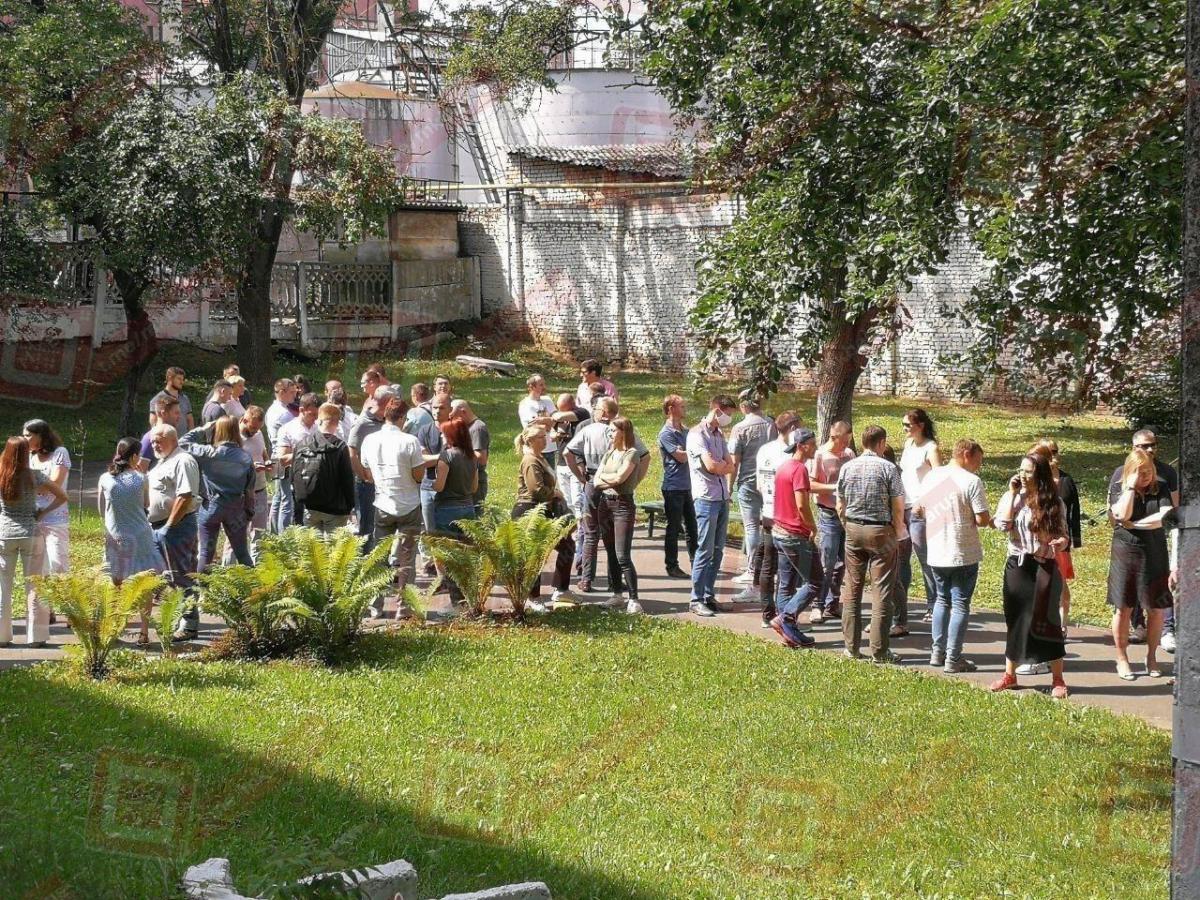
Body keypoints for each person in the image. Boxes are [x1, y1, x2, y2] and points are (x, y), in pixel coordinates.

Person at [991, 453, 1071, 698]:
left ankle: (1058, 678)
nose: (1023, 475)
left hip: (1046, 564)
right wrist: (1013, 494)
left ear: (1040, 474)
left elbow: (1065, 536)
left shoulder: (1054, 502)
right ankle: (1010, 675)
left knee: (1048, 620)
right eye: (1021, 470)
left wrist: (1060, 542)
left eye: (1029, 471)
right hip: (1019, 564)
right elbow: (1002, 524)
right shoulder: (1013, 497)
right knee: (1016, 618)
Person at [915, 439, 991, 673]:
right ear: (966, 455)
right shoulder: (971, 481)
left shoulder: (933, 476)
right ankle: (953, 657)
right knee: (959, 604)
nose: (978, 465)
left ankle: (937, 653)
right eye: (978, 460)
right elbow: (983, 519)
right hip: (962, 553)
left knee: (941, 600)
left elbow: (918, 509)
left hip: (937, 551)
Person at [566, 398, 650, 600]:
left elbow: (568, 452)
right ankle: (615, 585)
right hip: (610, 488)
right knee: (608, 538)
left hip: (594, 483)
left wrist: (581, 477)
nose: (594, 412)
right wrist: (633, 481)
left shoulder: (591, 430)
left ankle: (587, 578)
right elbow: (646, 456)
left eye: (596, 409)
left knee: (591, 533)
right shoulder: (619, 438)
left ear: (604, 412)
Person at [835, 425, 905, 663]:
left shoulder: (847, 467)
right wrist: (896, 529)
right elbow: (897, 505)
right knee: (882, 591)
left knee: (852, 590)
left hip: (853, 529)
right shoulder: (889, 468)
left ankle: (851, 648)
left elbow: (840, 504)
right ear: (882, 443)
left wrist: (847, 525)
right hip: (880, 530)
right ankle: (880, 650)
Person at [1107, 448, 1174, 680]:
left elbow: (1163, 518)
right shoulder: (1119, 486)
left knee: (1155, 608)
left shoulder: (1161, 487)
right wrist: (1131, 488)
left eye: (1149, 471)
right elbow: (1122, 515)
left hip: (1154, 553)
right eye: (1140, 472)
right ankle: (1121, 657)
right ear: (1130, 472)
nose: (1146, 476)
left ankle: (1152, 656)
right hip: (1125, 552)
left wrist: (1137, 525)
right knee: (1123, 607)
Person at [358, 393, 427, 617]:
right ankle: (404, 607)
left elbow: (366, 471)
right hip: (408, 504)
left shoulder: (370, 440)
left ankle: (375, 606)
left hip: (383, 502)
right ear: (403, 418)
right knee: (407, 559)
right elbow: (418, 475)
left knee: (379, 556)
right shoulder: (409, 441)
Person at [1110, 429, 1179, 645]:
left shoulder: (1166, 474)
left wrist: (1139, 524)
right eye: (1144, 446)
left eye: (1153, 445)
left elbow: (1172, 512)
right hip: (1127, 544)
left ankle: (1166, 631)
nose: (1150, 449)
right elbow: (1115, 516)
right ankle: (1138, 625)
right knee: (1127, 597)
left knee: (1158, 594)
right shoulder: (1120, 474)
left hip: (1156, 541)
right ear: (1133, 448)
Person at [1018, 439, 1081, 674]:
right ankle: (1035, 656)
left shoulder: (1062, 482)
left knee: (1054, 597)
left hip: (1052, 552)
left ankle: (1050, 660)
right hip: (1027, 558)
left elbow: (1070, 515)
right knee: (1034, 606)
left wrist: (1069, 541)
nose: (1055, 456)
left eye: (1054, 452)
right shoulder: (1022, 491)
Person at [0, 437, 68, 647]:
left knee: (3, 587)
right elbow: (62, 496)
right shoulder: (34, 475)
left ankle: (1, 637)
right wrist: (42, 512)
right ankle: (36, 637)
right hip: (31, 533)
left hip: (4, 535)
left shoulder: (1, 475)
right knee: (35, 586)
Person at [98, 438, 164, 645]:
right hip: (141, 534)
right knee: (144, 582)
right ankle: (144, 633)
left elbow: (102, 508)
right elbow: (146, 504)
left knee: (116, 581)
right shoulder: (141, 478)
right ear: (134, 456)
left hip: (117, 534)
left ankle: (116, 627)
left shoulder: (105, 479)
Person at [512, 425, 578, 614]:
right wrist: (555, 493)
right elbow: (537, 490)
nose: (546, 439)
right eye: (541, 436)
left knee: (567, 545)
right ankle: (533, 598)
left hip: (544, 510)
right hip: (529, 511)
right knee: (535, 554)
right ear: (531, 440)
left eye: (545, 435)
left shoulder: (540, 458)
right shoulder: (530, 460)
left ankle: (561, 589)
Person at [146, 425, 202, 641]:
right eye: (152, 442)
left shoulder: (183, 460)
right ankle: (175, 619)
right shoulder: (163, 461)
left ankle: (189, 625)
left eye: (158, 441)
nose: (154, 445)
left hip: (177, 527)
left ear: (172, 438)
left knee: (181, 576)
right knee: (167, 577)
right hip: (159, 527)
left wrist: (169, 525)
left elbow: (185, 495)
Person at [180, 417, 256, 573]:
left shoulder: (208, 452)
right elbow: (249, 491)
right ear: (236, 431)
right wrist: (249, 512)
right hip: (236, 509)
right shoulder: (246, 458)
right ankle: (254, 590)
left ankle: (203, 594)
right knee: (242, 553)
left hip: (211, 508)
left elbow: (182, 443)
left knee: (206, 554)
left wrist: (202, 429)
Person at [686, 395, 737, 617]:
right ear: (717, 410)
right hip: (706, 498)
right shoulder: (697, 434)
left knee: (717, 551)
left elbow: (730, 465)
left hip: (722, 497)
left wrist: (721, 466)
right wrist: (720, 466)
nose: (729, 419)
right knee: (705, 550)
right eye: (728, 414)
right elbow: (711, 466)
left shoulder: (719, 435)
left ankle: (708, 595)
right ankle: (696, 598)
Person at [768, 428, 819, 648]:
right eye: (812, 444)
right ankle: (786, 618)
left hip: (778, 532)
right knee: (816, 582)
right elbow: (801, 504)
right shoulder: (799, 469)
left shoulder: (783, 467)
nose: (815, 448)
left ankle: (789, 631)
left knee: (786, 583)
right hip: (795, 535)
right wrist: (812, 526)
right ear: (801, 445)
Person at [750, 412, 800, 625]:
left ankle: (767, 612)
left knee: (769, 565)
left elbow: (760, 485)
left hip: (769, 514)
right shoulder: (791, 455)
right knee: (787, 567)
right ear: (792, 428)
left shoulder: (764, 450)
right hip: (786, 517)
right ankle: (783, 614)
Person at [593, 416, 646, 615]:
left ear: (624, 432)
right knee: (611, 553)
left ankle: (634, 599)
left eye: (613, 431)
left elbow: (621, 478)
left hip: (623, 505)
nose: (610, 434)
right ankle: (617, 594)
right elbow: (597, 481)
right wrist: (610, 480)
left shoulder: (632, 454)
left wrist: (608, 479)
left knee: (622, 554)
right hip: (604, 504)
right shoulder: (610, 453)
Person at [806, 420, 855, 623]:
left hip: (846, 513)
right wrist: (834, 488)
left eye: (847, 442)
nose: (844, 447)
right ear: (833, 437)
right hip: (827, 513)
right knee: (826, 560)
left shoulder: (850, 454)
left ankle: (832, 603)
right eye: (842, 442)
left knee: (841, 562)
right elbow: (810, 484)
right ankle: (817, 605)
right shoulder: (820, 455)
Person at [24, 419, 70, 625]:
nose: (25, 439)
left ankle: (71, 609)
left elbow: (55, 483)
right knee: (39, 568)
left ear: (40, 435)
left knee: (58, 564)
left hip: (55, 518)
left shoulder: (60, 453)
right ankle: (46, 610)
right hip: (34, 518)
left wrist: (33, 484)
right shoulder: (30, 457)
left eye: (28, 435)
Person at [728, 393, 777, 586]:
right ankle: (767, 566)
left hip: (748, 482)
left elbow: (734, 461)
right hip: (769, 480)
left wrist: (729, 486)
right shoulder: (771, 424)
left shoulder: (739, 428)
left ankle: (752, 569)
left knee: (751, 527)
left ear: (743, 406)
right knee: (769, 525)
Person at [900, 408, 940, 624]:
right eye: (903, 425)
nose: (905, 429)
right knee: (902, 557)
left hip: (919, 511)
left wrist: (923, 503)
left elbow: (939, 479)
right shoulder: (908, 445)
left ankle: (934, 605)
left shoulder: (930, 448)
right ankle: (901, 603)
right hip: (902, 507)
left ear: (920, 425)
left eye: (908, 425)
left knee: (924, 558)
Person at [292, 403, 356, 536]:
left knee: (313, 551)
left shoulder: (302, 444)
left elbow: (294, 474)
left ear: (318, 420)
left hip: (310, 505)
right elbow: (347, 479)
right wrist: (350, 505)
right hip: (335, 508)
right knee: (333, 553)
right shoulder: (339, 446)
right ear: (337, 423)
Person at [659, 395, 697, 580]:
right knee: (673, 528)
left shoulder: (686, 431)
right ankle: (671, 565)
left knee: (692, 527)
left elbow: (687, 453)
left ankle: (696, 562)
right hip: (673, 487)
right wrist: (697, 451)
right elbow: (680, 457)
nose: (685, 409)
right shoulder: (666, 433)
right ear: (671, 408)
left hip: (688, 486)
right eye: (682, 406)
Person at [273, 392, 320, 530]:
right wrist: (306, 452)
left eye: (317, 415)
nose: (315, 418)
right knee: (294, 516)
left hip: (316, 482)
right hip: (294, 481)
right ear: (301, 410)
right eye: (312, 414)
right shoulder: (287, 429)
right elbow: (282, 459)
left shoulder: (319, 428)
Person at [231, 406, 271, 563]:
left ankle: (257, 568)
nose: (255, 431)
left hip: (259, 490)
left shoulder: (259, 433)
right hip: (241, 493)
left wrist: (266, 460)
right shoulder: (233, 437)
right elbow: (229, 465)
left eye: (258, 428)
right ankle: (230, 569)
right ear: (244, 420)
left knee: (259, 531)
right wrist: (251, 466)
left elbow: (263, 451)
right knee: (236, 533)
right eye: (253, 427)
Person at [348, 391, 386, 552]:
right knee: (367, 524)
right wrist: (362, 475)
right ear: (385, 402)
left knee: (382, 523)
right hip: (367, 483)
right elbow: (351, 451)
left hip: (384, 481)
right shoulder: (363, 423)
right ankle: (365, 563)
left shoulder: (388, 422)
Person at [432, 417, 480, 536]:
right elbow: (474, 487)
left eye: (443, 434)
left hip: (447, 510)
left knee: (446, 550)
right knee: (466, 550)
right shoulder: (472, 457)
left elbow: (439, 487)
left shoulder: (446, 456)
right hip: (468, 508)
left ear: (450, 436)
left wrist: (430, 483)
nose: (441, 437)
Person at [265, 378, 297, 533]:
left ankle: (273, 532)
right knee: (286, 499)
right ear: (282, 392)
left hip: (275, 454)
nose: (295, 395)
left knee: (278, 496)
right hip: (284, 456)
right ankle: (283, 535)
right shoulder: (284, 414)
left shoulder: (273, 409)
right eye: (291, 392)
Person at [450, 399, 490, 511]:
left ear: (463, 412)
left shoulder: (477, 428)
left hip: (476, 481)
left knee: (475, 517)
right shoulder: (467, 427)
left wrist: (456, 453)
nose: (452, 421)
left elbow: (481, 458)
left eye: (454, 417)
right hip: (467, 479)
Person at [518, 374, 558, 468]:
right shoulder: (525, 404)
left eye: (544, 384)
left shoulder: (547, 400)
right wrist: (550, 422)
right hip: (534, 450)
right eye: (541, 385)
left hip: (550, 448)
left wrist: (544, 420)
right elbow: (534, 428)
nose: (544, 387)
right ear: (531, 387)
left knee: (551, 480)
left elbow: (557, 420)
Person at [139, 396, 183, 473]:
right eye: (176, 413)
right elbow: (140, 471)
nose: (179, 417)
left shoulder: (171, 435)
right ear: (163, 413)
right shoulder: (150, 439)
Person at [148, 366, 194, 430]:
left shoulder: (185, 398)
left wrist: (191, 438)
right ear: (170, 378)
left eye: (182, 379)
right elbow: (153, 424)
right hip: (167, 438)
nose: (182, 382)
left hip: (184, 439)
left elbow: (190, 420)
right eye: (179, 379)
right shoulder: (157, 399)